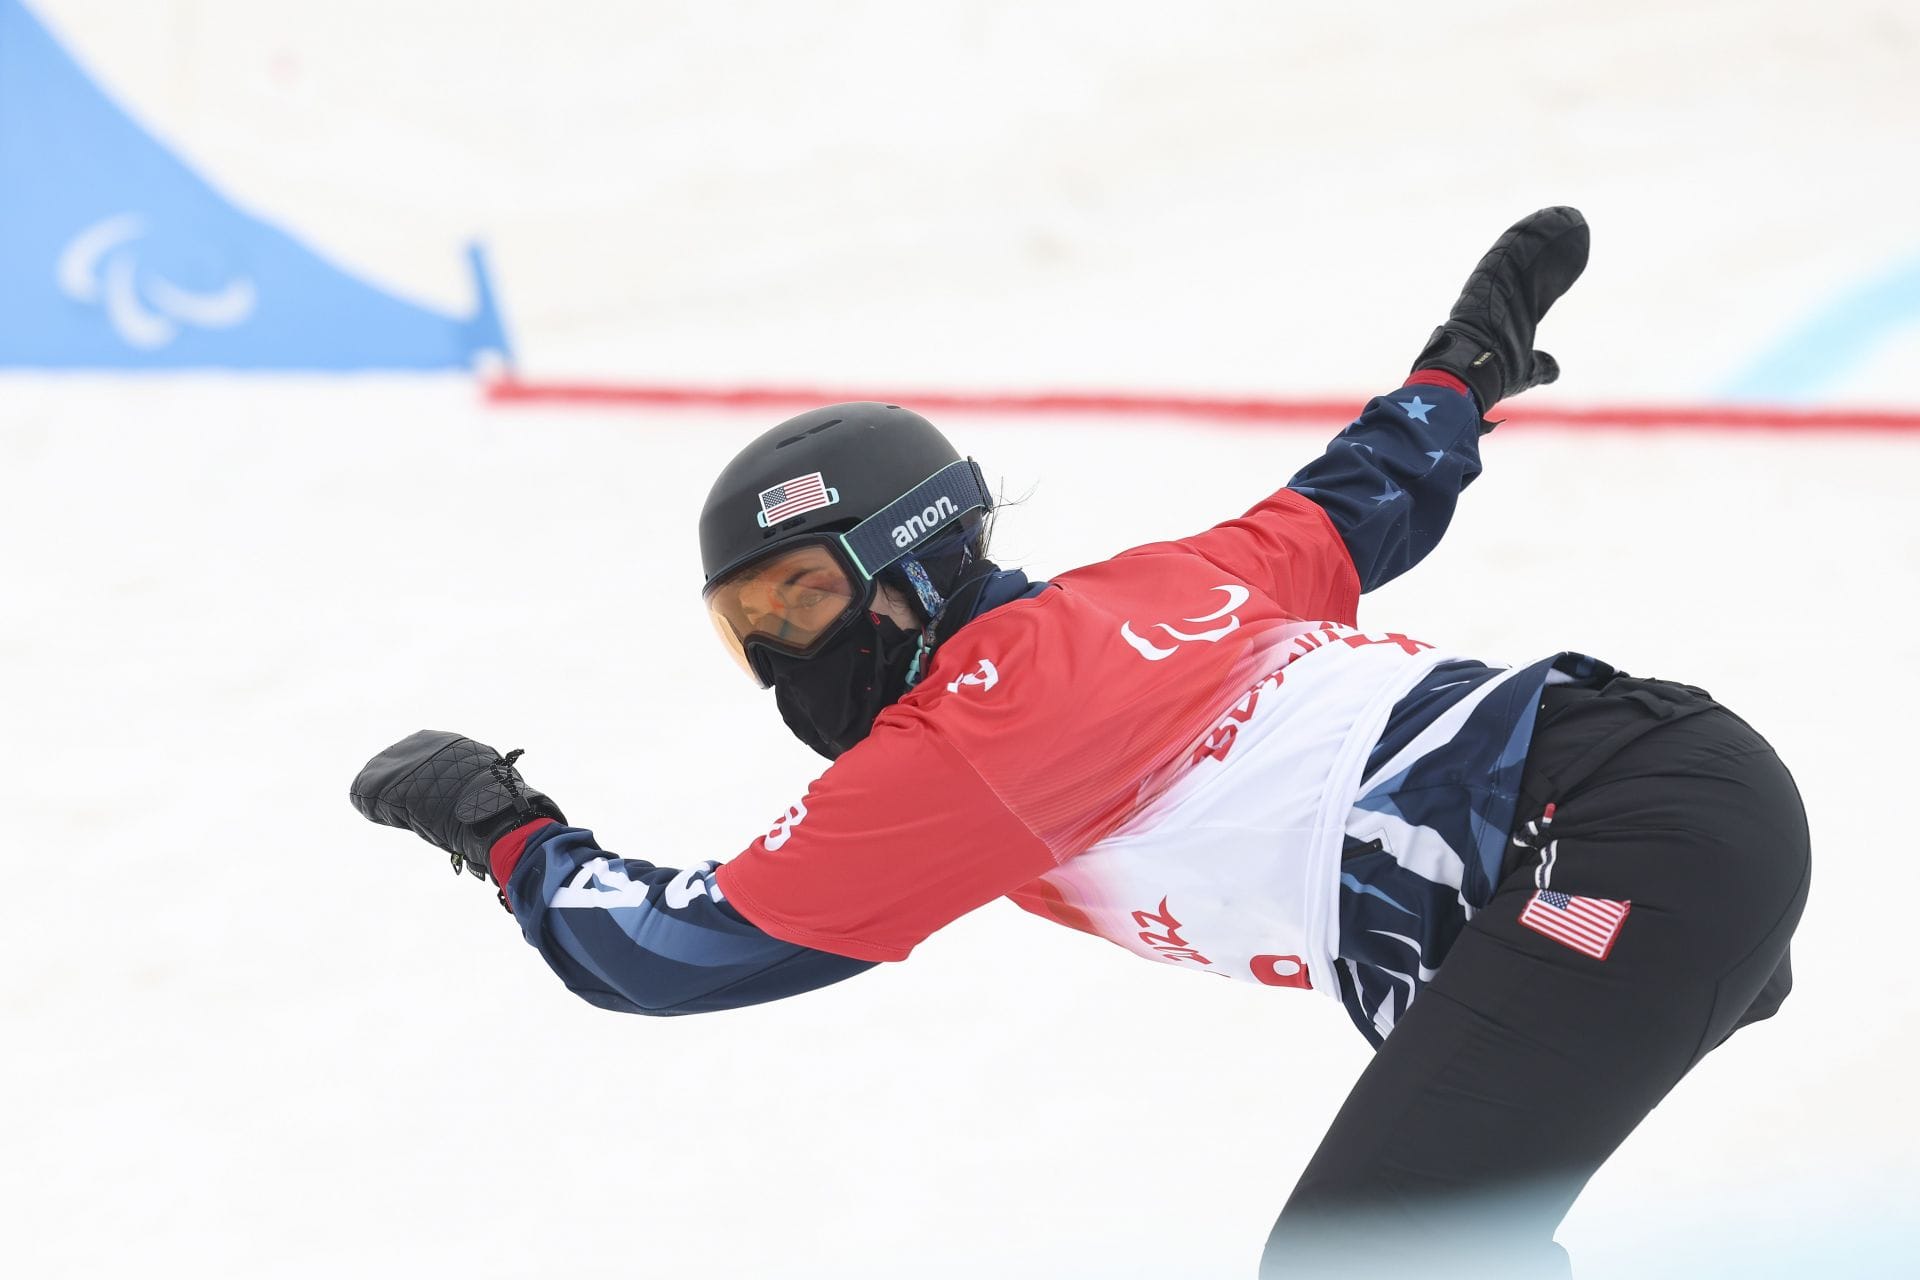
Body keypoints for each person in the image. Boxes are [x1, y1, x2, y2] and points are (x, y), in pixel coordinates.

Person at [351, 208, 1810, 1277]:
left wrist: (498, 823)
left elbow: (673, 951)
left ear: (907, 562)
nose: (782, 652)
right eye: (748, 624)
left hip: (1616, 841)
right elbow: (1366, 495)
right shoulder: (1146, 590)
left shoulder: (964, 745)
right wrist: (1465, 362)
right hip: (1653, 806)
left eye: (800, 598)